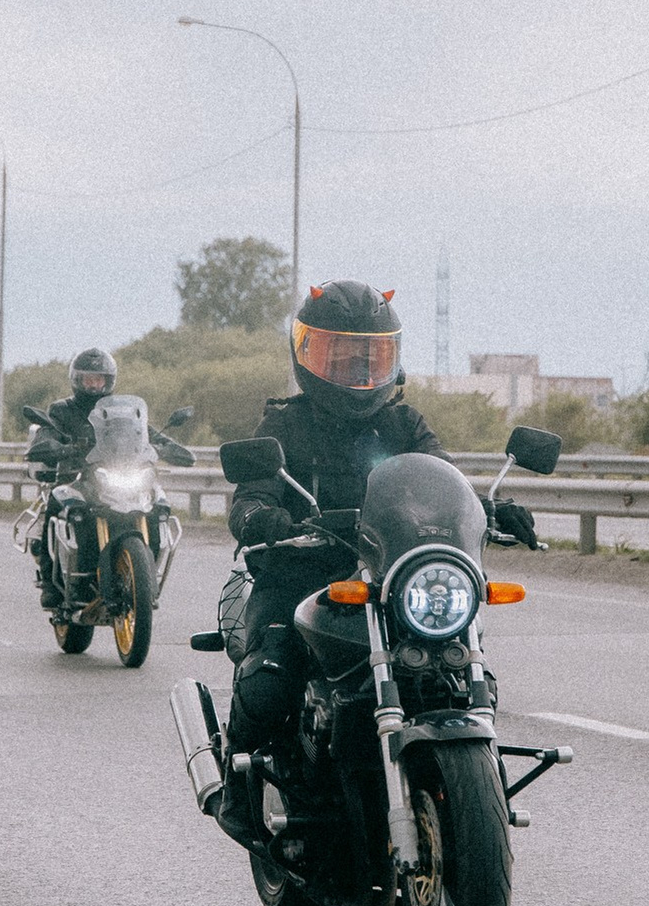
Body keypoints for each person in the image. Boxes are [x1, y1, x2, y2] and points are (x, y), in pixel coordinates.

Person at [212, 281, 538, 841]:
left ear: (391, 356)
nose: (358, 370)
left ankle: (470, 796)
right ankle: (237, 790)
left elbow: (441, 479)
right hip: (301, 570)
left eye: (371, 356)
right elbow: (251, 495)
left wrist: (489, 508)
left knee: (458, 666)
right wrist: (263, 518)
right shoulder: (286, 425)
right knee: (270, 680)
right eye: (342, 355)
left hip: (389, 575)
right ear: (308, 354)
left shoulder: (403, 424)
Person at [23, 348, 119, 608]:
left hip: (111, 476)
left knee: (155, 504)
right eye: (88, 379)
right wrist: (54, 446)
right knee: (56, 502)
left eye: (99, 379)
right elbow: (47, 433)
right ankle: (49, 582)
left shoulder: (118, 409)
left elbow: (145, 433)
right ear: (78, 379)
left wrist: (164, 445)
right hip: (73, 477)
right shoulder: (62, 410)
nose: (94, 384)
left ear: (108, 380)